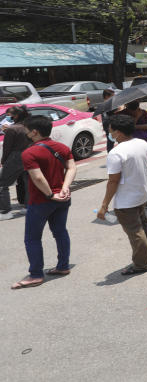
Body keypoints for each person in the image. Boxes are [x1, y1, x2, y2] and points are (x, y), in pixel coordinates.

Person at [11, 115, 76, 289]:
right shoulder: (62, 147)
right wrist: (65, 188)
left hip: (41, 200)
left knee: (32, 238)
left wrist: (49, 195)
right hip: (63, 198)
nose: (25, 133)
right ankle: (63, 266)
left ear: (34, 132)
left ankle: (36, 274)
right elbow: (71, 167)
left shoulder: (29, 152)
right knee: (60, 231)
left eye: (26, 130)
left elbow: (38, 178)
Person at [96, 114, 147, 275]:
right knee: (144, 224)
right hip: (141, 192)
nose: (109, 133)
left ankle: (141, 263)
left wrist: (104, 205)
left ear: (118, 132)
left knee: (135, 231)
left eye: (110, 130)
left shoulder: (116, 153)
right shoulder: (142, 144)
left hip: (126, 199)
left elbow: (113, 181)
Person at [0, 106, 30, 221]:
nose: (8, 117)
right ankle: (29, 206)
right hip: (29, 155)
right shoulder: (28, 126)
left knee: (2, 184)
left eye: (9, 115)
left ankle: (5, 211)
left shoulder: (12, 129)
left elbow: (7, 148)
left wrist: (3, 161)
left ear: (16, 116)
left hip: (15, 157)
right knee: (28, 182)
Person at [101, 88, 116, 152]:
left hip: (109, 125)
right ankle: (110, 153)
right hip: (109, 126)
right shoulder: (106, 105)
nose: (113, 98)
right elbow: (107, 117)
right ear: (107, 96)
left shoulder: (107, 104)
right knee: (110, 141)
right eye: (112, 96)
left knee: (111, 141)